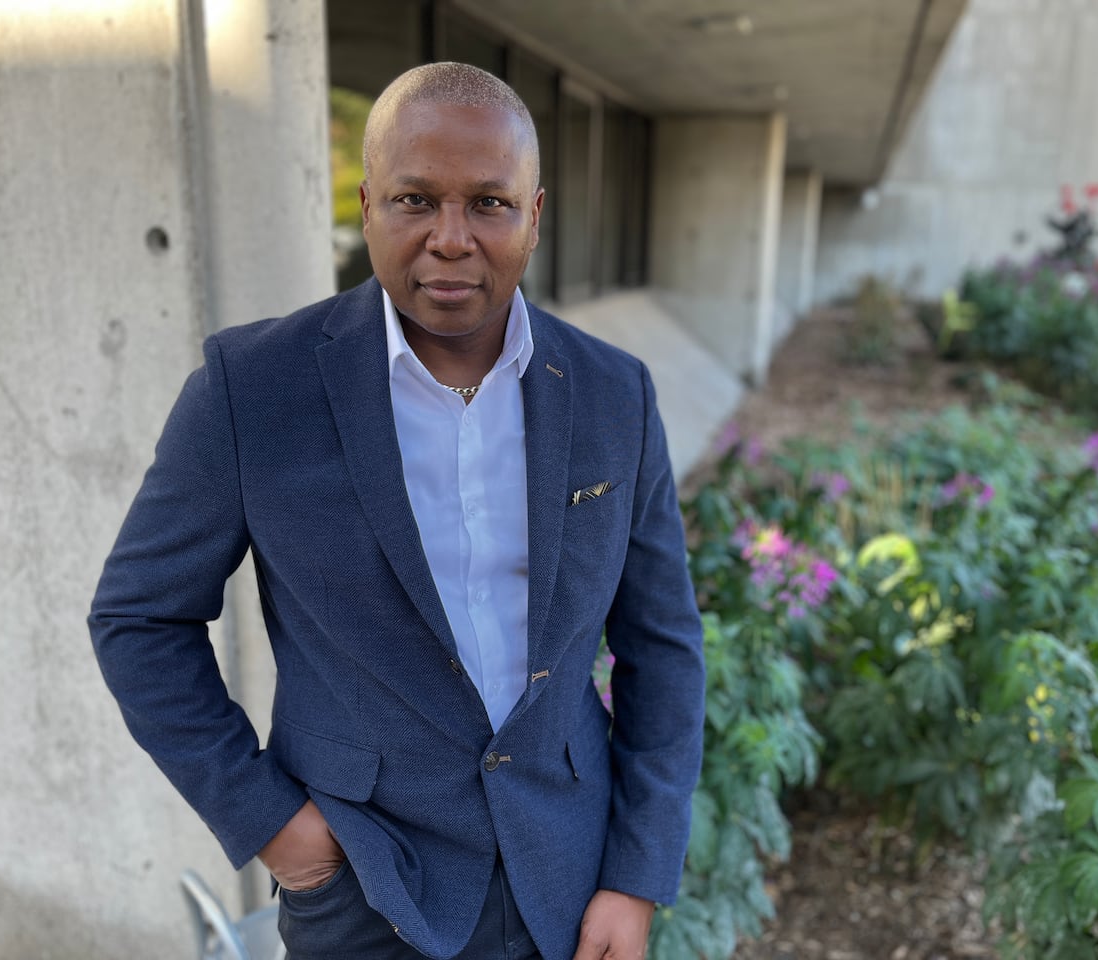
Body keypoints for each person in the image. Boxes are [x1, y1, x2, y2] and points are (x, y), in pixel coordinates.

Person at [89, 61, 705, 960]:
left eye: (488, 203)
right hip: (364, 887)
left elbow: (664, 644)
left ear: (535, 215)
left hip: (570, 882)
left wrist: (634, 878)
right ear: (369, 205)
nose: (450, 238)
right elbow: (139, 618)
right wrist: (278, 830)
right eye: (416, 199)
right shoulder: (253, 389)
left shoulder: (616, 393)